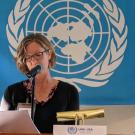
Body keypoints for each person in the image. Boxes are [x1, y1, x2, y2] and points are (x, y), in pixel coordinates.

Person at [0, 33, 79, 134]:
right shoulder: (12, 92)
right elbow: (2, 129)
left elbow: (72, 131)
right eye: (28, 57)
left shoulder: (69, 92)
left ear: (49, 54)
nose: (34, 61)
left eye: (38, 54)